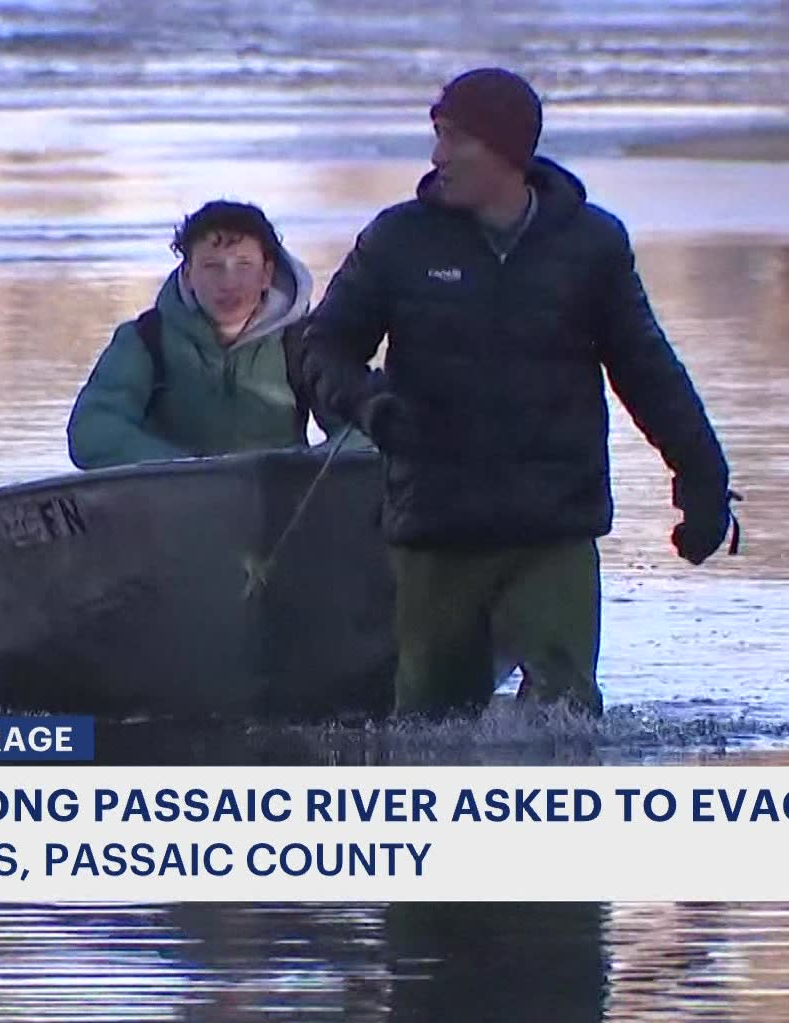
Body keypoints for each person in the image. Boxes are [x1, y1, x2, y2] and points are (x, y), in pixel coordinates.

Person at [300, 67, 739, 720]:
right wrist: (367, 403)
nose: (436, 157)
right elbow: (319, 349)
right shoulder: (399, 240)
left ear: (506, 150)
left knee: (566, 721)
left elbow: (648, 370)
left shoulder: (591, 243)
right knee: (429, 726)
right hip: (435, 521)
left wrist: (702, 478)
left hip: (553, 523)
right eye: (436, 136)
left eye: (453, 139)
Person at [67, 199, 348, 469]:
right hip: (170, 503)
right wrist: (179, 469)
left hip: (286, 503)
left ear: (266, 274)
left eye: (243, 265)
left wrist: (316, 467)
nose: (228, 283)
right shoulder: (145, 340)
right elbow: (93, 428)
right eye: (212, 266)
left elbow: (364, 425)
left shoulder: (303, 344)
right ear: (188, 275)